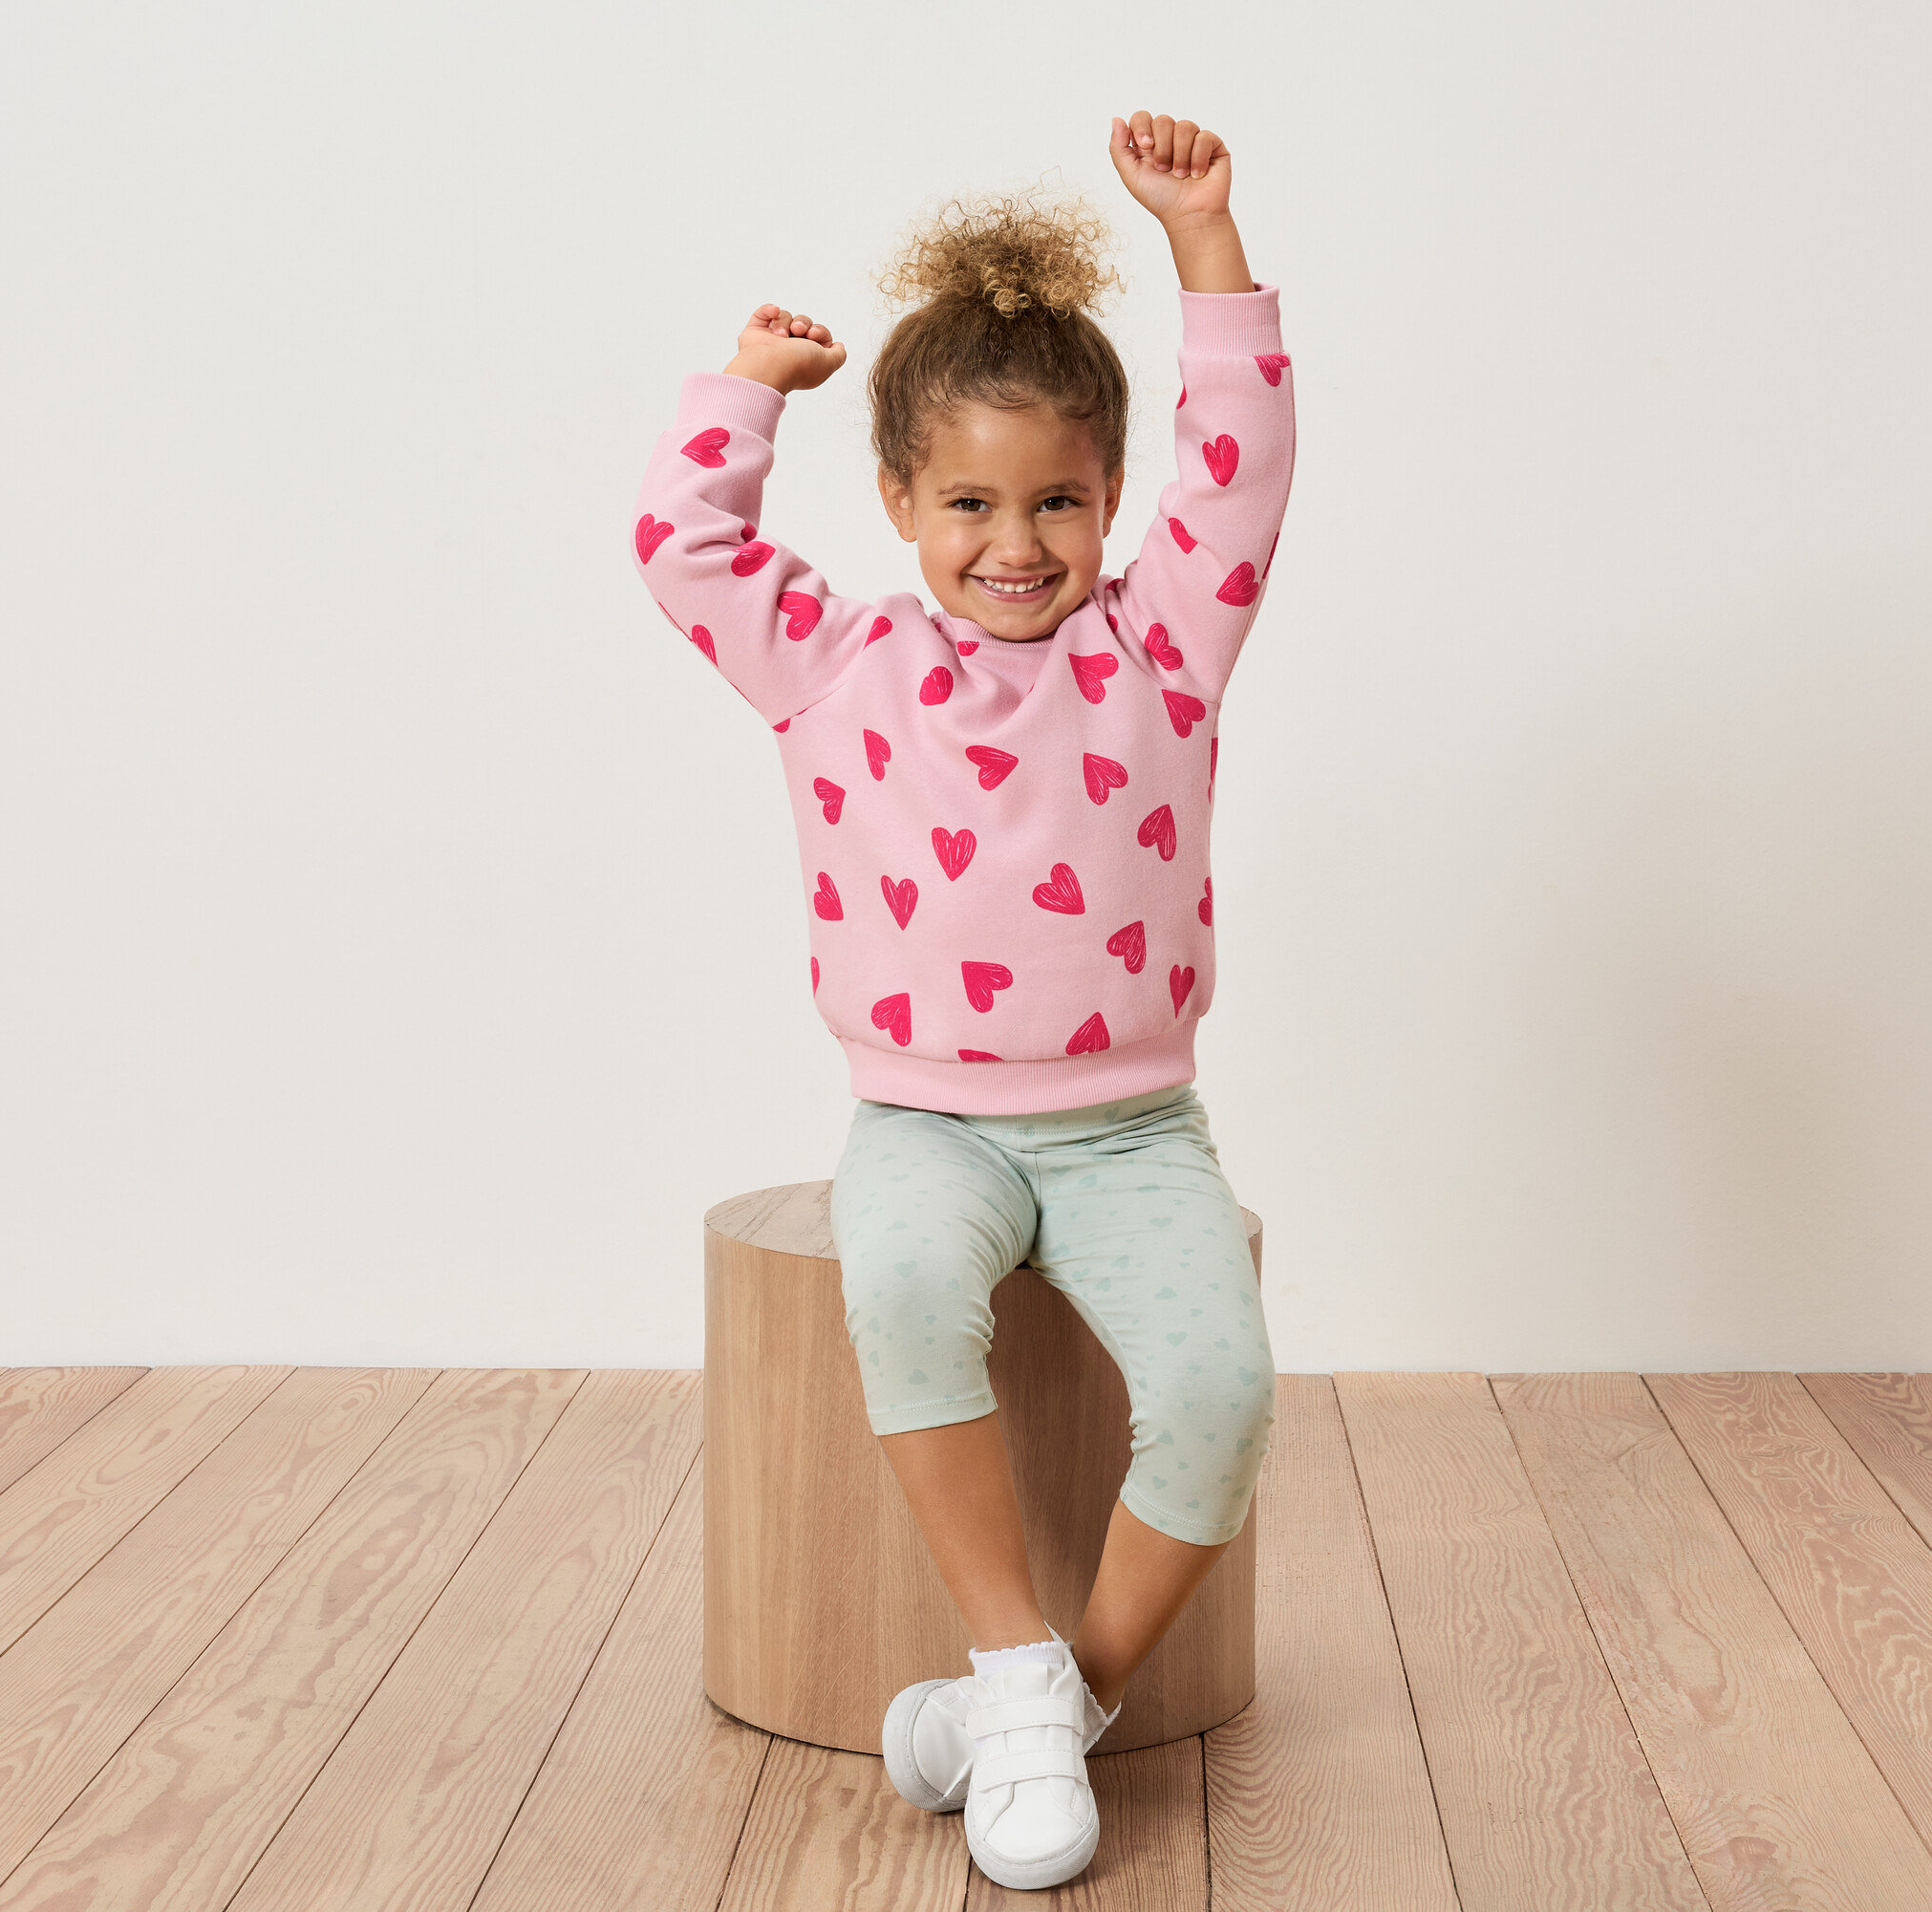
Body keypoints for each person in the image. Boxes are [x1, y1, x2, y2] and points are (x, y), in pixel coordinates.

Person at [630, 109, 1292, 1892]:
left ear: (1110, 496)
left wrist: (1206, 241)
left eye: (1061, 499)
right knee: (903, 1279)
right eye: (973, 503)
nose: (1020, 542)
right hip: (920, 1118)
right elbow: (682, 551)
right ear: (902, 504)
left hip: (1134, 1126)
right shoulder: (835, 664)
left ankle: (1047, 1708)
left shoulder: (1165, 645)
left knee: (1226, 1393)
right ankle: (1010, 1655)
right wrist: (747, 390)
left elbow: (1241, 465)